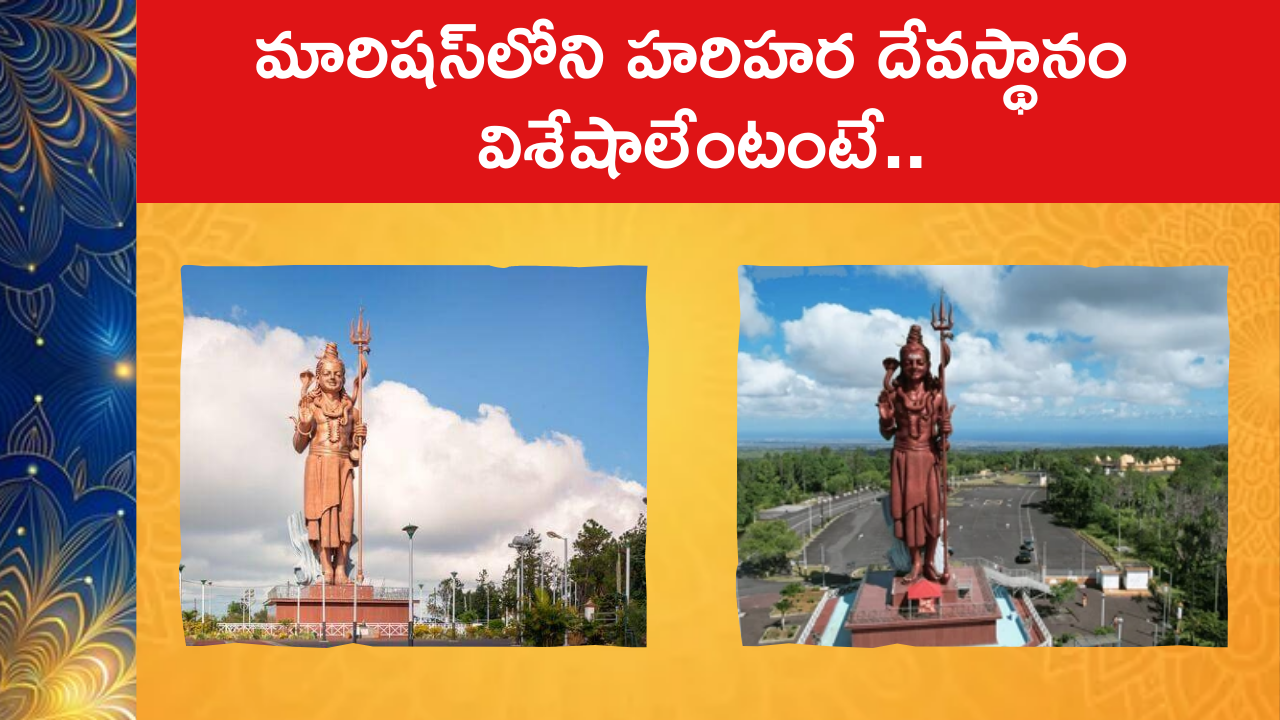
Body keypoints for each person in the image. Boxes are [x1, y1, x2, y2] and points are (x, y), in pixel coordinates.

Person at [878, 325, 952, 585]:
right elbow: (887, 433)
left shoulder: (936, 395)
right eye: (908, 362)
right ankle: (915, 562)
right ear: (901, 364)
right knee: (910, 515)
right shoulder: (893, 395)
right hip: (904, 458)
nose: (914, 366)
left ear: (928, 364)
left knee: (932, 513)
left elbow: (943, 441)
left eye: (920, 362)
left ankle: (930, 560)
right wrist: (885, 419)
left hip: (928, 458)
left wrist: (945, 433)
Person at [291, 343, 368, 584]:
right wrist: (303, 426)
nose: (333, 378)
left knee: (345, 518)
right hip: (319, 464)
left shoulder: (352, 411)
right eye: (327, 373)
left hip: (343, 466)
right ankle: (326, 569)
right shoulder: (311, 407)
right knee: (323, 519)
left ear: (344, 377)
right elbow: (298, 446)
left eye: (338, 374)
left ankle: (341, 568)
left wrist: (360, 440)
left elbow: (355, 452)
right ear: (319, 377)